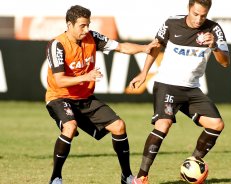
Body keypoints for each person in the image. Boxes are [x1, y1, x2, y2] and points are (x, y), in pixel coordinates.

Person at [45, 5, 158, 184]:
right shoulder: (57, 44)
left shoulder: (92, 37)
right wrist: (86, 76)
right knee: (70, 126)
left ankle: (126, 176)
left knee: (119, 126)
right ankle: (55, 178)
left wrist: (144, 48)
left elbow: (121, 47)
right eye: (82, 25)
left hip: (85, 99)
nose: (87, 29)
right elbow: (59, 80)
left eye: (88, 24)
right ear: (69, 24)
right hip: (59, 97)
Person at [129, 0, 230, 183]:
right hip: (167, 84)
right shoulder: (171, 23)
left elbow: (225, 62)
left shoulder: (214, 29)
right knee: (163, 124)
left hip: (192, 89)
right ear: (188, 9)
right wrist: (144, 73)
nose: (199, 19)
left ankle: (192, 164)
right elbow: (155, 46)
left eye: (203, 15)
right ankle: (141, 178)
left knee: (216, 124)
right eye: (195, 14)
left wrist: (214, 46)